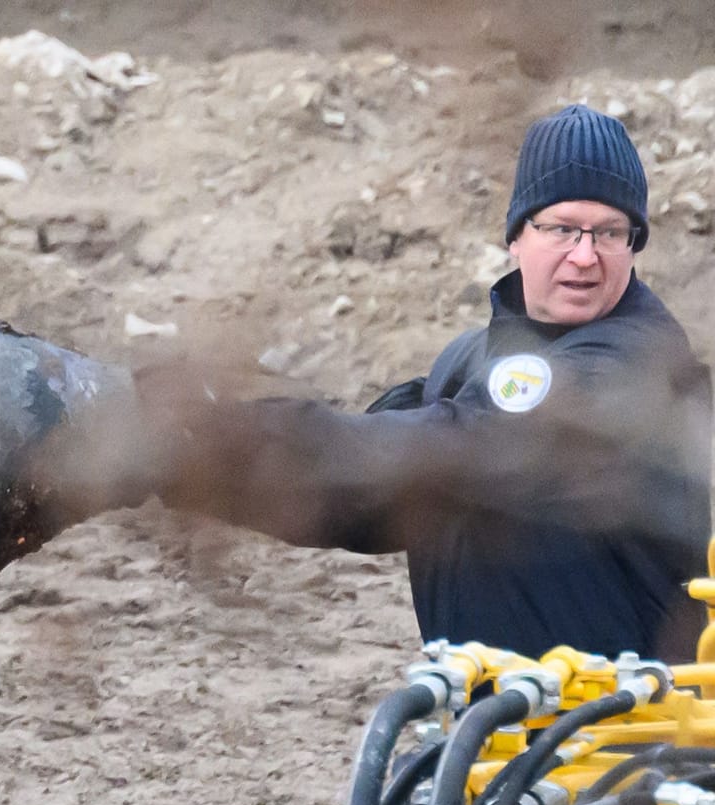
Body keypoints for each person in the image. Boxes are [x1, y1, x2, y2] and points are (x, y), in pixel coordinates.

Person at [145, 103, 712, 661]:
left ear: (634, 246)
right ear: (517, 236)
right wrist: (193, 464)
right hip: (494, 735)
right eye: (562, 228)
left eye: (609, 233)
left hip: (628, 737)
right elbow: (369, 492)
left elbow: (453, 451)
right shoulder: (468, 364)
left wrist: (226, 434)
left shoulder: (634, 368)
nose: (585, 257)